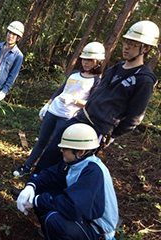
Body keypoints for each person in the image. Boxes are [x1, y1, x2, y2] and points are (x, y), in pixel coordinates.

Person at [33, 20, 160, 173]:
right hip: (80, 118)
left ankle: (49, 196)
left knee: (70, 165)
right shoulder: (115, 69)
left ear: (145, 48)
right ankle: (33, 187)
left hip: (97, 129)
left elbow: (135, 117)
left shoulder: (144, 79)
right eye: (126, 41)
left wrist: (113, 134)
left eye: (133, 44)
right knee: (53, 151)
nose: (126, 46)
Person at [13, 42, 105, 177]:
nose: (85, 62)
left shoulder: (96, 81)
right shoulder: (74, 74)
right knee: (42, 141)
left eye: (90, 60)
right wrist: (48, 104)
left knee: (55, 147)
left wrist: (75, 101)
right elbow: (61, 90)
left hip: (68, 116)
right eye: (84, 59)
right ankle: (27, 166)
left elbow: (91, 103)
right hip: (54, 111)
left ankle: (42, 173)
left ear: (98, 62)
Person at [17, 123, 119, 240]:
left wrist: (37, 200)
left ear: (80, 152)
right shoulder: (75, 163)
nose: (61, 150)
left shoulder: (93, 172)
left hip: (97, 230)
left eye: (65, 148)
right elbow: (49, 175)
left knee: (55, 220)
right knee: (43, 193)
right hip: (84, 218)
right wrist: (31, 186)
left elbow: (72, 207)